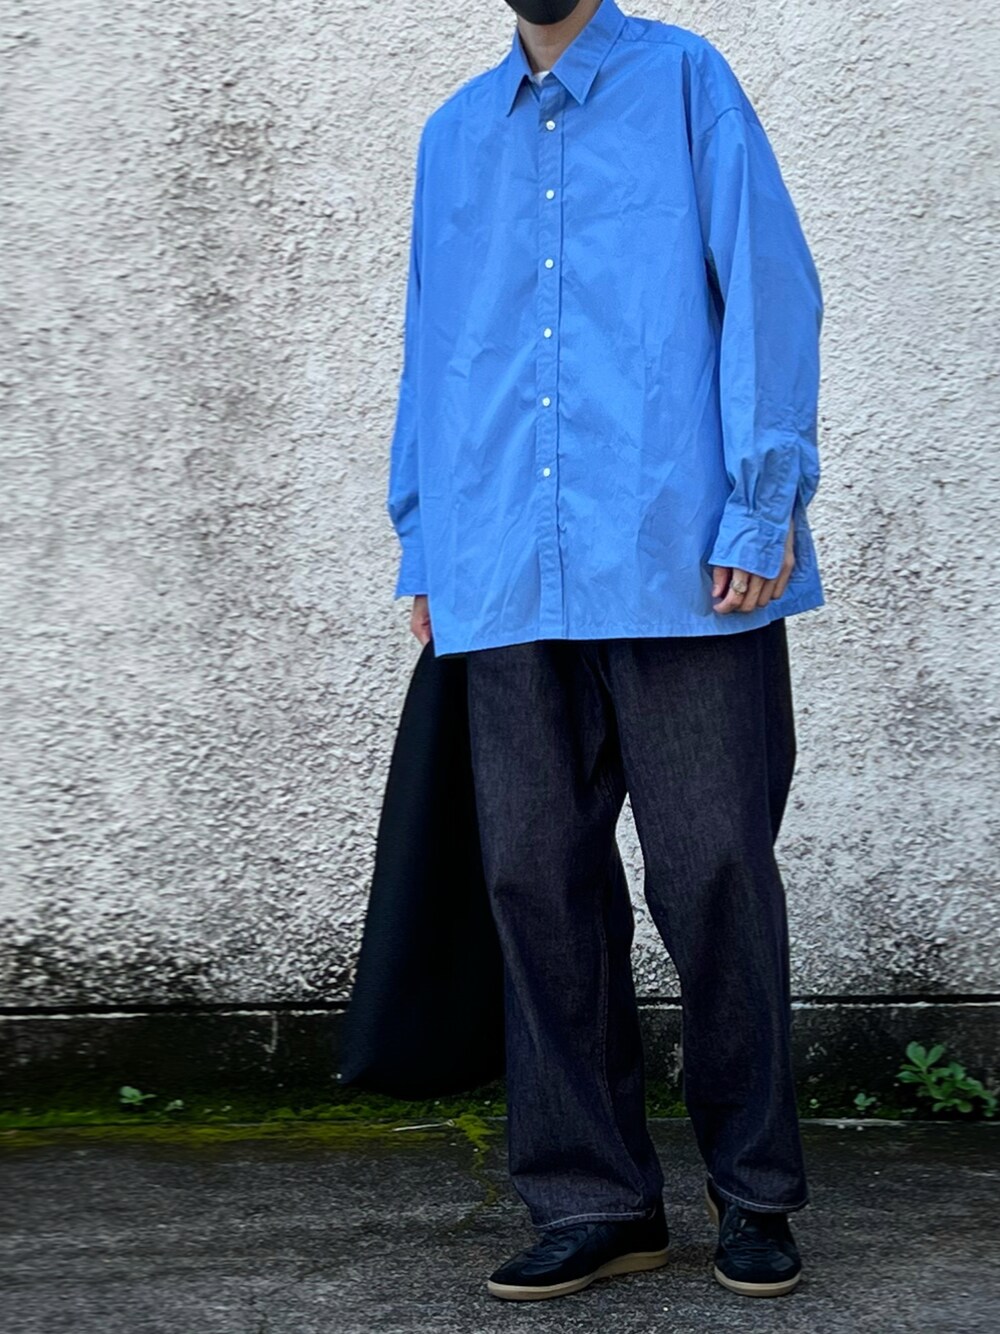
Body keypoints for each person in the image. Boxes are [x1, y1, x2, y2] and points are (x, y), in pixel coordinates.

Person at [384, 0, 825, 1302]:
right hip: (505, 568)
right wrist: (426, 542)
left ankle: (755, 1189)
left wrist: (762, 504)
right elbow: (432, 345)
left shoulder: (688, 82)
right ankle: (596, 1200)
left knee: (716, 875)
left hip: (683, 561)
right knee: (536, 884)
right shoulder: (453, 137)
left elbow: (771, 289)